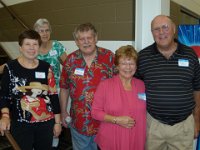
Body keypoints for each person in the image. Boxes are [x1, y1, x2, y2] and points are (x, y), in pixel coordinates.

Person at [136, 15, 200, 150]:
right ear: (152, 33)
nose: (161, 32)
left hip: (183, 125)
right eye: (156, 29)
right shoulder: (143, 56)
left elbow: (197, 89)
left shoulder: (189, 54)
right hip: (153, 125)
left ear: (174, 29)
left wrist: (197, 121)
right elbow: (135, 88)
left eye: (165, 27)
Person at [0, 30, 62, 150]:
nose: (32, 48)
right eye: (27, 44)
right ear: (21, 48)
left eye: (35, 44)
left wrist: (57, 122)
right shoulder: (10, 67)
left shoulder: (46, 68)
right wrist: (5, 116)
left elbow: (53, 95)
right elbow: (4, 95)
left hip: (46, 123)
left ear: (38, 47)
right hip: (21, 124)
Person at [59, 23, 116, 150]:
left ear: (96, 38)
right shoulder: (70, 60)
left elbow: (120, 84)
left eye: (89, 38)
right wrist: (63, 111)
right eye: (81, 39)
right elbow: (64, 87)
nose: (86, 42)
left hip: (105, 120)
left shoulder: (109, 57)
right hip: (80, 121)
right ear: (76, 42)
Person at [91, 45, 146, 150]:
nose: (128, 67)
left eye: (131, 63)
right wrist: (116, 119)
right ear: (117, 66)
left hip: (136, 139)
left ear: (136, 66)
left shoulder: (142, 85)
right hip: (112, 139)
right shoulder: (105, 85)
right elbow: (95, 112)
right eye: (124, 63)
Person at [34, 18, 67, 90]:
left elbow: (68, 65)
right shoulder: (33, 48)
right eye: (41, 31)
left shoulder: (56, 45)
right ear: (36, 33)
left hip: (57, 87)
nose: (45, 33)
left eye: (47, 30)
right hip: (39, 88)